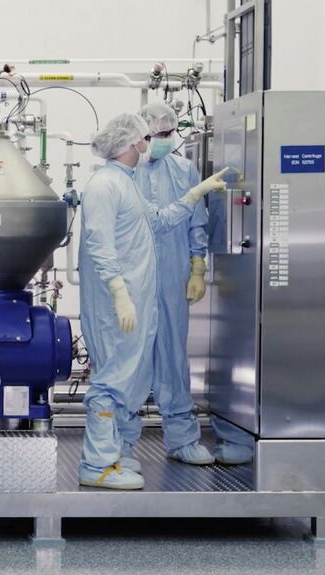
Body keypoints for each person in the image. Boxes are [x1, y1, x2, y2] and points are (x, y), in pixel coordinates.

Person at [78, 113, 227, 490]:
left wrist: (194, 194)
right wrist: (118, 291)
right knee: (112, 380)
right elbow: (99, 243)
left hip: (134, 301)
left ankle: (108, 459)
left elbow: (159, 221)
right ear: (131, 144)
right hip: (117, 305)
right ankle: (97, 464)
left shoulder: (125, 183)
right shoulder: (104, 186)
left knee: (126, 379)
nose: (150, 144)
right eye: (145, 138)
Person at [118, 103, 249, 467]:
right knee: (131, 361)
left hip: (173, 276)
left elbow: (196, 223)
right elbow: (153, 222)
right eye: (154, 135)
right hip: (133, 279)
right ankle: (122, 444)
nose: (161, 141)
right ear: (139, 136)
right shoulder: (124, 172)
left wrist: (196, 266)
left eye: (166, 134)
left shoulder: (183, 168)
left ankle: (182, 438)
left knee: (174, 357)